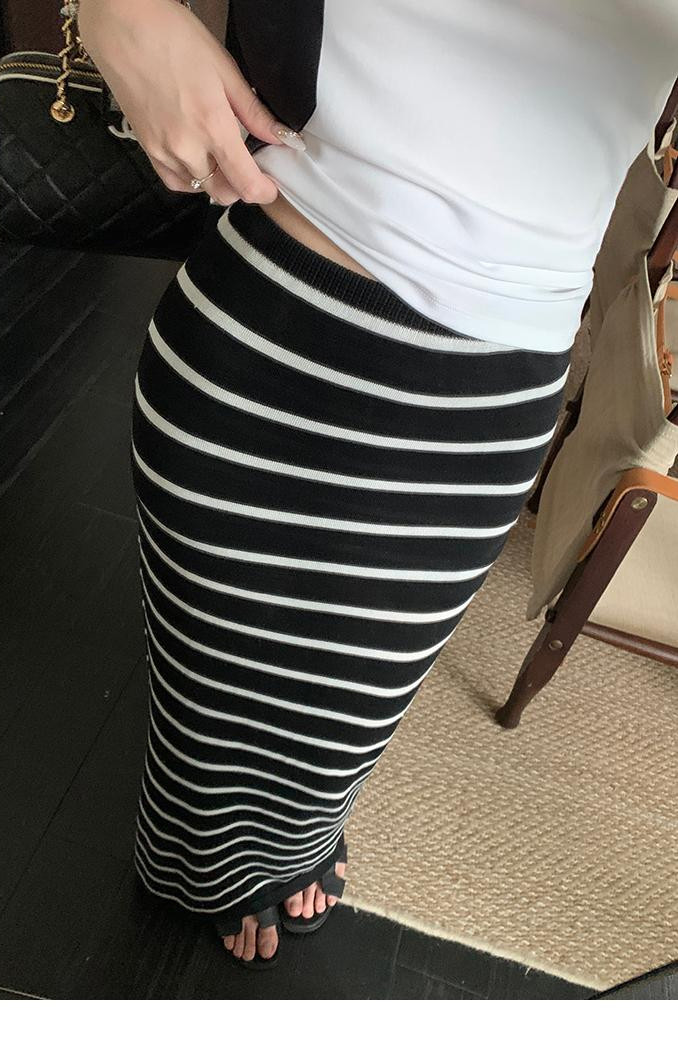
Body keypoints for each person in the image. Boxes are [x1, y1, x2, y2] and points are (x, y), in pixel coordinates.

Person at [77, 0, 678, 968]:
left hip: (495, 399)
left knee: (347, 724)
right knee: (208, 714)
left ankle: (293, 836)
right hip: (280, 333)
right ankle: (198, 869)